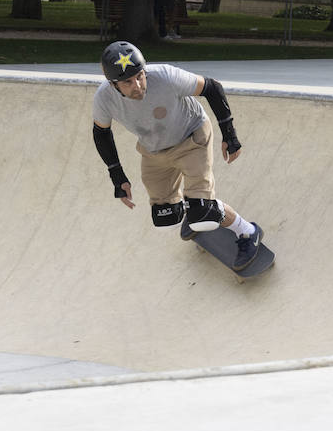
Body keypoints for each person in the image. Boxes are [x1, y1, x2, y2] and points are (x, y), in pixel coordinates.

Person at [91, 40, 264, 268]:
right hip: (154, 152)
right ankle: (192, 208)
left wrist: (229, 135)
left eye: (140, 77)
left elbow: (212, 87)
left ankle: (247, 231)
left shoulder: (165, 76)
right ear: (113, 85)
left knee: (204, 214)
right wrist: (117, 176)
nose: (138, 86)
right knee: (166, 217)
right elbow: (101, 133)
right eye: (127, 83)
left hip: (191, 139)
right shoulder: (104, 98)